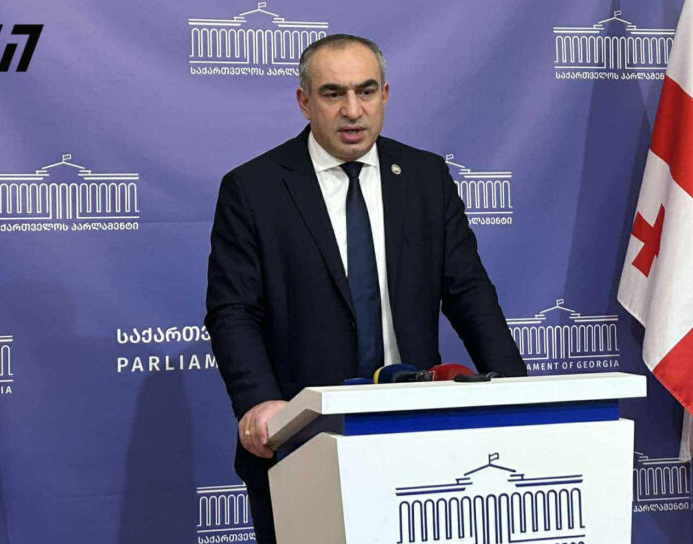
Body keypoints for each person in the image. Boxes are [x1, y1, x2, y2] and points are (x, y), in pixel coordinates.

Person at [204, 34, 525, 544]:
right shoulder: (254, 188)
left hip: (417, 435)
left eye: (366, 91)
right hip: (302, 439)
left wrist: (517, 391)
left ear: (385, 95)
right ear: (304, 101)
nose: (352, 111)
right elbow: (233, 311)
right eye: (333, 94)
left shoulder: (425, 177)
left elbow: (469, 293)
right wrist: (259, 402)